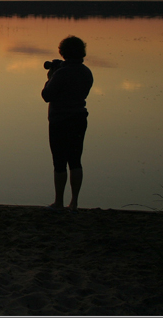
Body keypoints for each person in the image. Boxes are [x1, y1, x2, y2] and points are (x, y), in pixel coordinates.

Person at [41, 35, 93, 212]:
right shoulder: (86, 72)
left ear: (63, 53)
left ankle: (58, 202)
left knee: (59, 161)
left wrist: (50, 77)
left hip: (60, 120)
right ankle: (75, 202)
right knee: (76, 160)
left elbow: (47, 95)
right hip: (79, 118)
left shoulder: (62, 73)